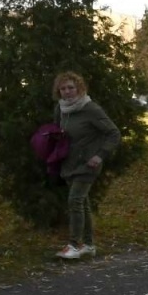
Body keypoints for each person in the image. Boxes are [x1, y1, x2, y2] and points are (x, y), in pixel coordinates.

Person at [53, 72, 121, 261]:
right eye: (63, 88)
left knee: (75, 201)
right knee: (82, 203)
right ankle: (89, 245)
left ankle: (74, 245)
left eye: (71, 88)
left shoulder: (90, 109)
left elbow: (114, 133)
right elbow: (58, 131)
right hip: (69, 163)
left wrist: (100, 155)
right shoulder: (60, 109)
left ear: (80, 88)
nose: (67, 92)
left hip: (88, 164)